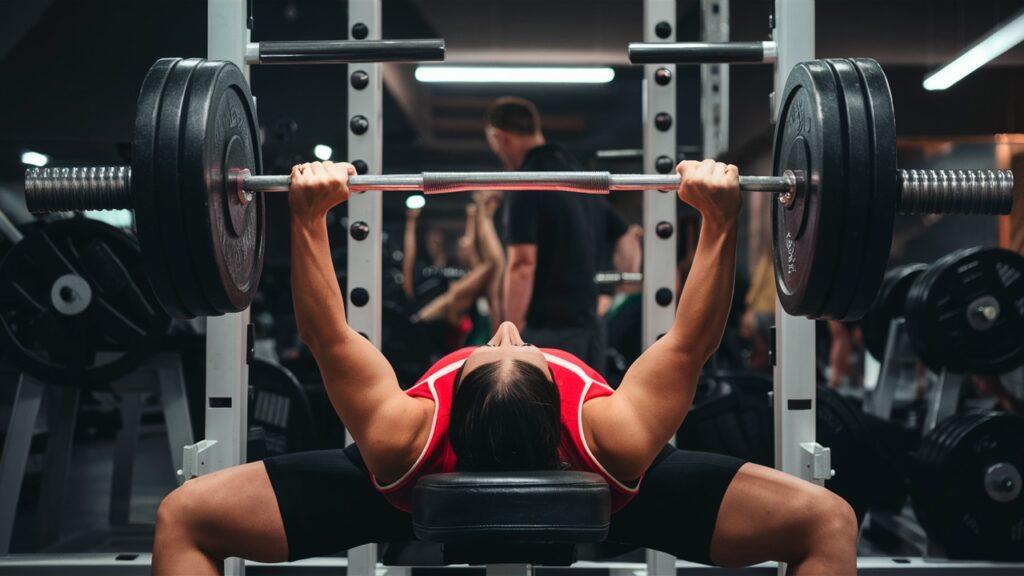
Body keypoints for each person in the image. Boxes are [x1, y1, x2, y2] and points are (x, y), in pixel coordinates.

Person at [152, 160, 857, 576]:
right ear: (563, 412)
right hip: (623, 501)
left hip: (395, 492)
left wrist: (306, 217)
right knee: (825, 523)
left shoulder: (402, 435)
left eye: (497, 344)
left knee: (187, 516)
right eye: (520, 347)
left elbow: (325, 335)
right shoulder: (614, 434)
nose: (511, 328)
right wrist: (721, 216)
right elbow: (692, 340)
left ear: (449, 402)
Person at [486, 97, 641, 368]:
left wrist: (510, 335)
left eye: (495, 146)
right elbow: (627, 240)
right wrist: (615, 289)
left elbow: (522, 263)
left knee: (544, 410)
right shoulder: (577, 175)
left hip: (548, 333)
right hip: (591, 329)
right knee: (584, 409)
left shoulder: (526, 182)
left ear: (501, 138)